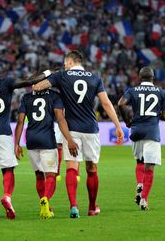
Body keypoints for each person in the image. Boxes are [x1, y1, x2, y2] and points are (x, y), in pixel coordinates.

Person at [33, 50, 124, 218]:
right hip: (91, 129)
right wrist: (118, 126)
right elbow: (105, 102)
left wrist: (48, 75)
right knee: (92, 169)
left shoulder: (61, 76)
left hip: (71, 129)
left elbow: (38, 86)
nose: (63, 65)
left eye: (64, 63)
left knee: (71, 168)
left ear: (69, 62)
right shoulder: (95, 78)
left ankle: (73, 207)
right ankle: (91, 207)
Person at [0, 62, 51, 219]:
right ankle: (7, 196)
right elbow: (29, 82)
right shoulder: (4, 82)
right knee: (7, 169)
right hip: (3, 132)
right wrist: (48, 73)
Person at [14, 88, 78, 219]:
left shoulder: (26, 97)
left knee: (38, 175)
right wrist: (69, 139)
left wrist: (16, 143)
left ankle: (47, 209)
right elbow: (60, 119)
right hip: (47, 140)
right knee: (51, 175)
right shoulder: (54, 96)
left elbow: (20, 121)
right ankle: (45, 199)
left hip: (31, 140)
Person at [118, 66, 165, 210]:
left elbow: (121, 103)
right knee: (150, 167)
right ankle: (144, 200)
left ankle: (140, 183)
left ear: (140, 78)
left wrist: (127, 121)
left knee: (139, 161)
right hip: (152, 131)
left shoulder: (132, 91)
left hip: (136, 130)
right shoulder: (160, 92)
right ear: (153, 78)